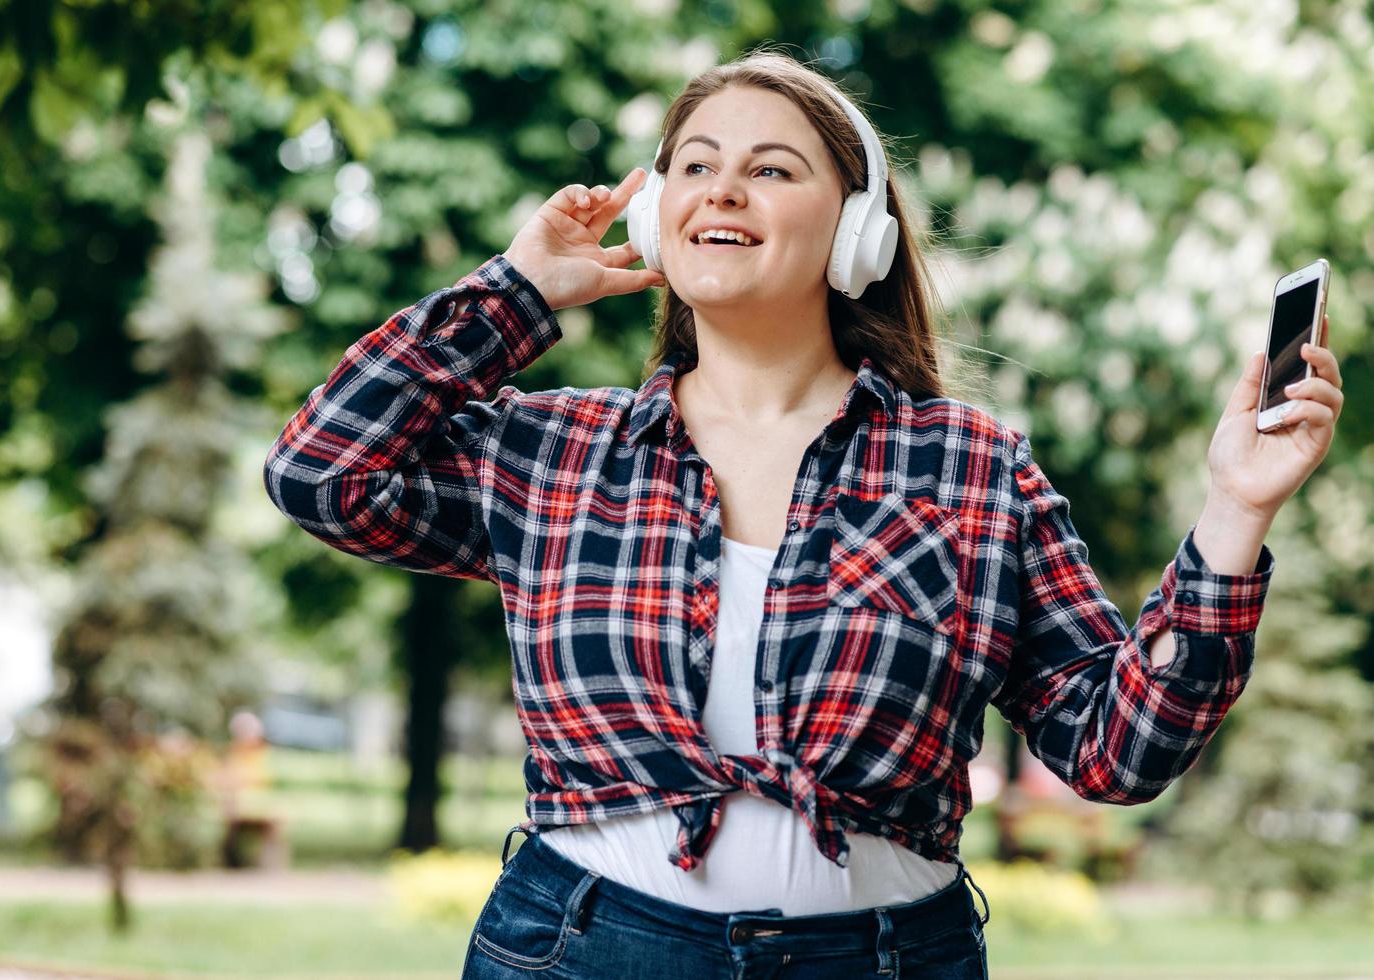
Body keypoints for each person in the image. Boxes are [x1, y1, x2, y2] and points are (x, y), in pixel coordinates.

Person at [264, 49, 1342, 980]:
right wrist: (517, 290)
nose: (721, 190)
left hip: (884, 955)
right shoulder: (554, 450)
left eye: (769, 169)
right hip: (584, 946)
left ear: (856, 231)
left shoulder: (970, 467)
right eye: (694, 166)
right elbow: (321, 473)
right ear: (655, 215)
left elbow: (1119, 750)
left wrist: (1231, 509)